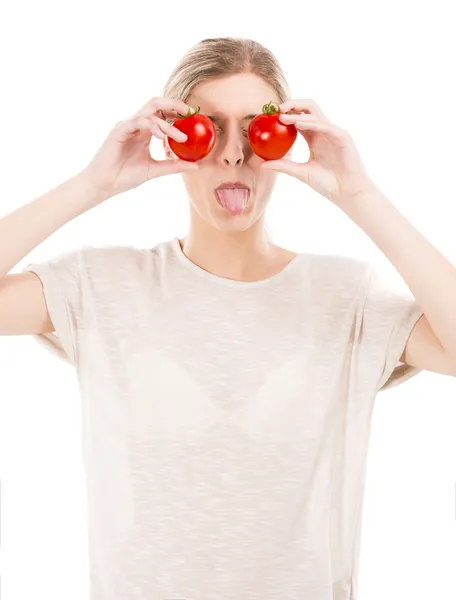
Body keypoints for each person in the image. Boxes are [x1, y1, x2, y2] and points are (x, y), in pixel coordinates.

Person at [0, 37, 427, 600]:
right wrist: (93, 185)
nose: (232, 154)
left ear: (287, 139)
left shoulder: (344, 296)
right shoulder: (101, 286)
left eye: (256, 131)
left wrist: (359, 192)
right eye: (208, 128)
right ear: (173, 140)